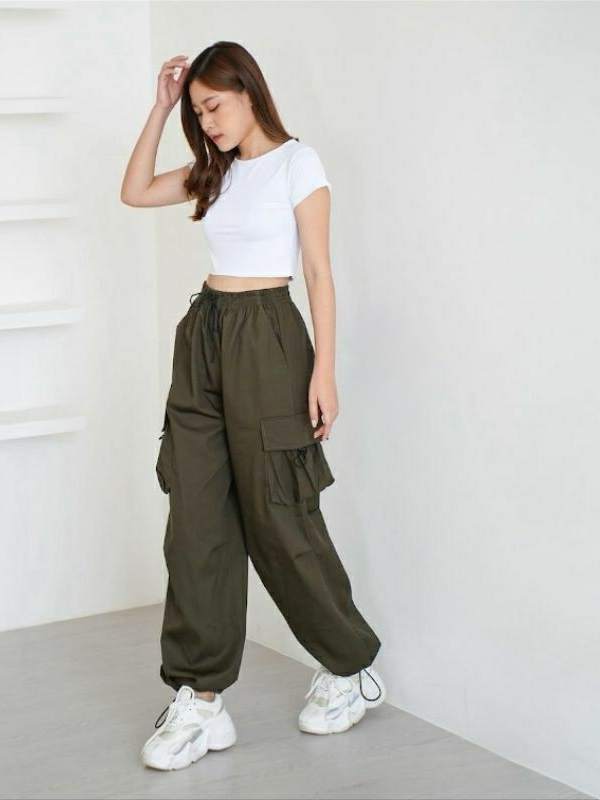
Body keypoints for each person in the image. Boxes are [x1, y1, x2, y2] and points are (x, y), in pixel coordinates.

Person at [121, 41, 386, 772]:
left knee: (279, 514)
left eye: (215, 105)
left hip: (269, 336)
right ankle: (201, 699)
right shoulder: (214, 171)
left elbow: (319, 273)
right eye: (198, 111)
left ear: (249, 91)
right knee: (196, 518)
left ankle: (350, 666)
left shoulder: (300, 163)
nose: (207, 122)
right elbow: (134, 191)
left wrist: (324, 372)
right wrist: (160, 109)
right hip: (204, 334)